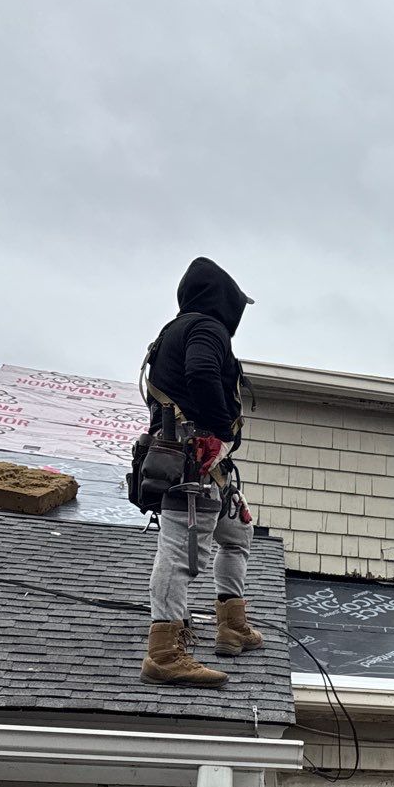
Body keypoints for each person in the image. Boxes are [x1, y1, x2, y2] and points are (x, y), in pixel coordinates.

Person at [138, 257, 264, 686]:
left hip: (199, 464)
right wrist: (220, 425)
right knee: (180, 553)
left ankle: (231, 625)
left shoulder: (174, 331)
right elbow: (203, 373)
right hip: (193, 466)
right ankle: (165, 652)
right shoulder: (206, 327)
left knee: (236, 533)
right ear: (221, 299)